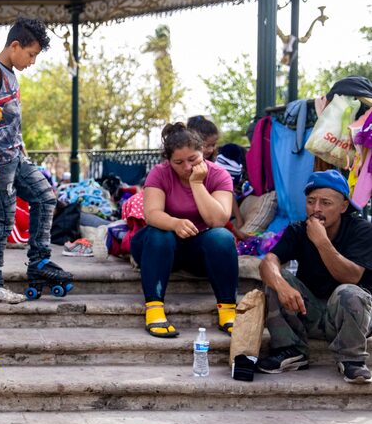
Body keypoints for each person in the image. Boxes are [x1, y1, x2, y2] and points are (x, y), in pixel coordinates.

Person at [0, 16, 70, 304]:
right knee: (1, 220)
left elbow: (10, 124)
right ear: (15, 46)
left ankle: (39, 261)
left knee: (45, 196)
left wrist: (23, 153)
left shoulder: (12, 75)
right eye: (31, 54)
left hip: (15, 157)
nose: (32, 61)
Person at [257, 170, 372, 383]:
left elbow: (351, 276)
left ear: (344, 206)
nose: (316, 209)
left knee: (348, 292)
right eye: (311, 201)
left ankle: (352, 360)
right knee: (275, 276)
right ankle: (291, 350)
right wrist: (282, 285)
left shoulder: (362, 230)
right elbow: (267, 262)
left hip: (353, 319)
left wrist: (321, 242)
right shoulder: (298, 229)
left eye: (326, 203)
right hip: (311, 312)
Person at [130, 123, 238, 338]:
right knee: (160, 232)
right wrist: (175, 224)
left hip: (197, 249)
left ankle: (227, 311)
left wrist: (197, 183)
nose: (187, 167)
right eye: (178, 162)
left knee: (222, 237)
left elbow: (218, 220)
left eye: (193, 160)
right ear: (168, 161)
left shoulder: (219, 175)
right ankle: (154, 309)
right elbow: (151, 214)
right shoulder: (159, 174)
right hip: (157, 247)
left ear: (204, 153)